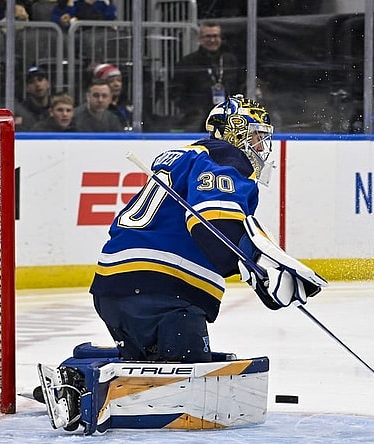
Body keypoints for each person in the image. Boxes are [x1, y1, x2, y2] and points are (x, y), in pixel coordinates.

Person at [36, 95, 326, 434]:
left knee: (148, 367)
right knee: (189, 383)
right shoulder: (224, 156)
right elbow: (215, 221)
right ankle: (86, 381)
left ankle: (81, 367)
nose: (261, 146)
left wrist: (258, 263)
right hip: (166, 291)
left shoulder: (183, 156)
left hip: (113, 285)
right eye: (255, 135)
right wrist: (258, 269)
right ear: (231, 133)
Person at [171, 20, 245, 131]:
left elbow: (241, 84)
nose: (212, 40)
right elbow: (176, 90)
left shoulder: (230, 60)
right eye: (208, 36)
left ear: (220, 38)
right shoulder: (188, 62)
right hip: (198, 121)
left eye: (215, 36)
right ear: (200, 39)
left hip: (228, 119)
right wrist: (192, 110)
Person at [92, 63, 132, 130]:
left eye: (119, 80)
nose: (117, 84)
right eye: (111, 81)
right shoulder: (96, 107)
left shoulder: (128, 104)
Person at [14, 66, 52, 131]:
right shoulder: (20, 112)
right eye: (31, 82)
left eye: (40, 80)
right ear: (26, 88)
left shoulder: (57, 108)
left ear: (48, 84)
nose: (37, 84)